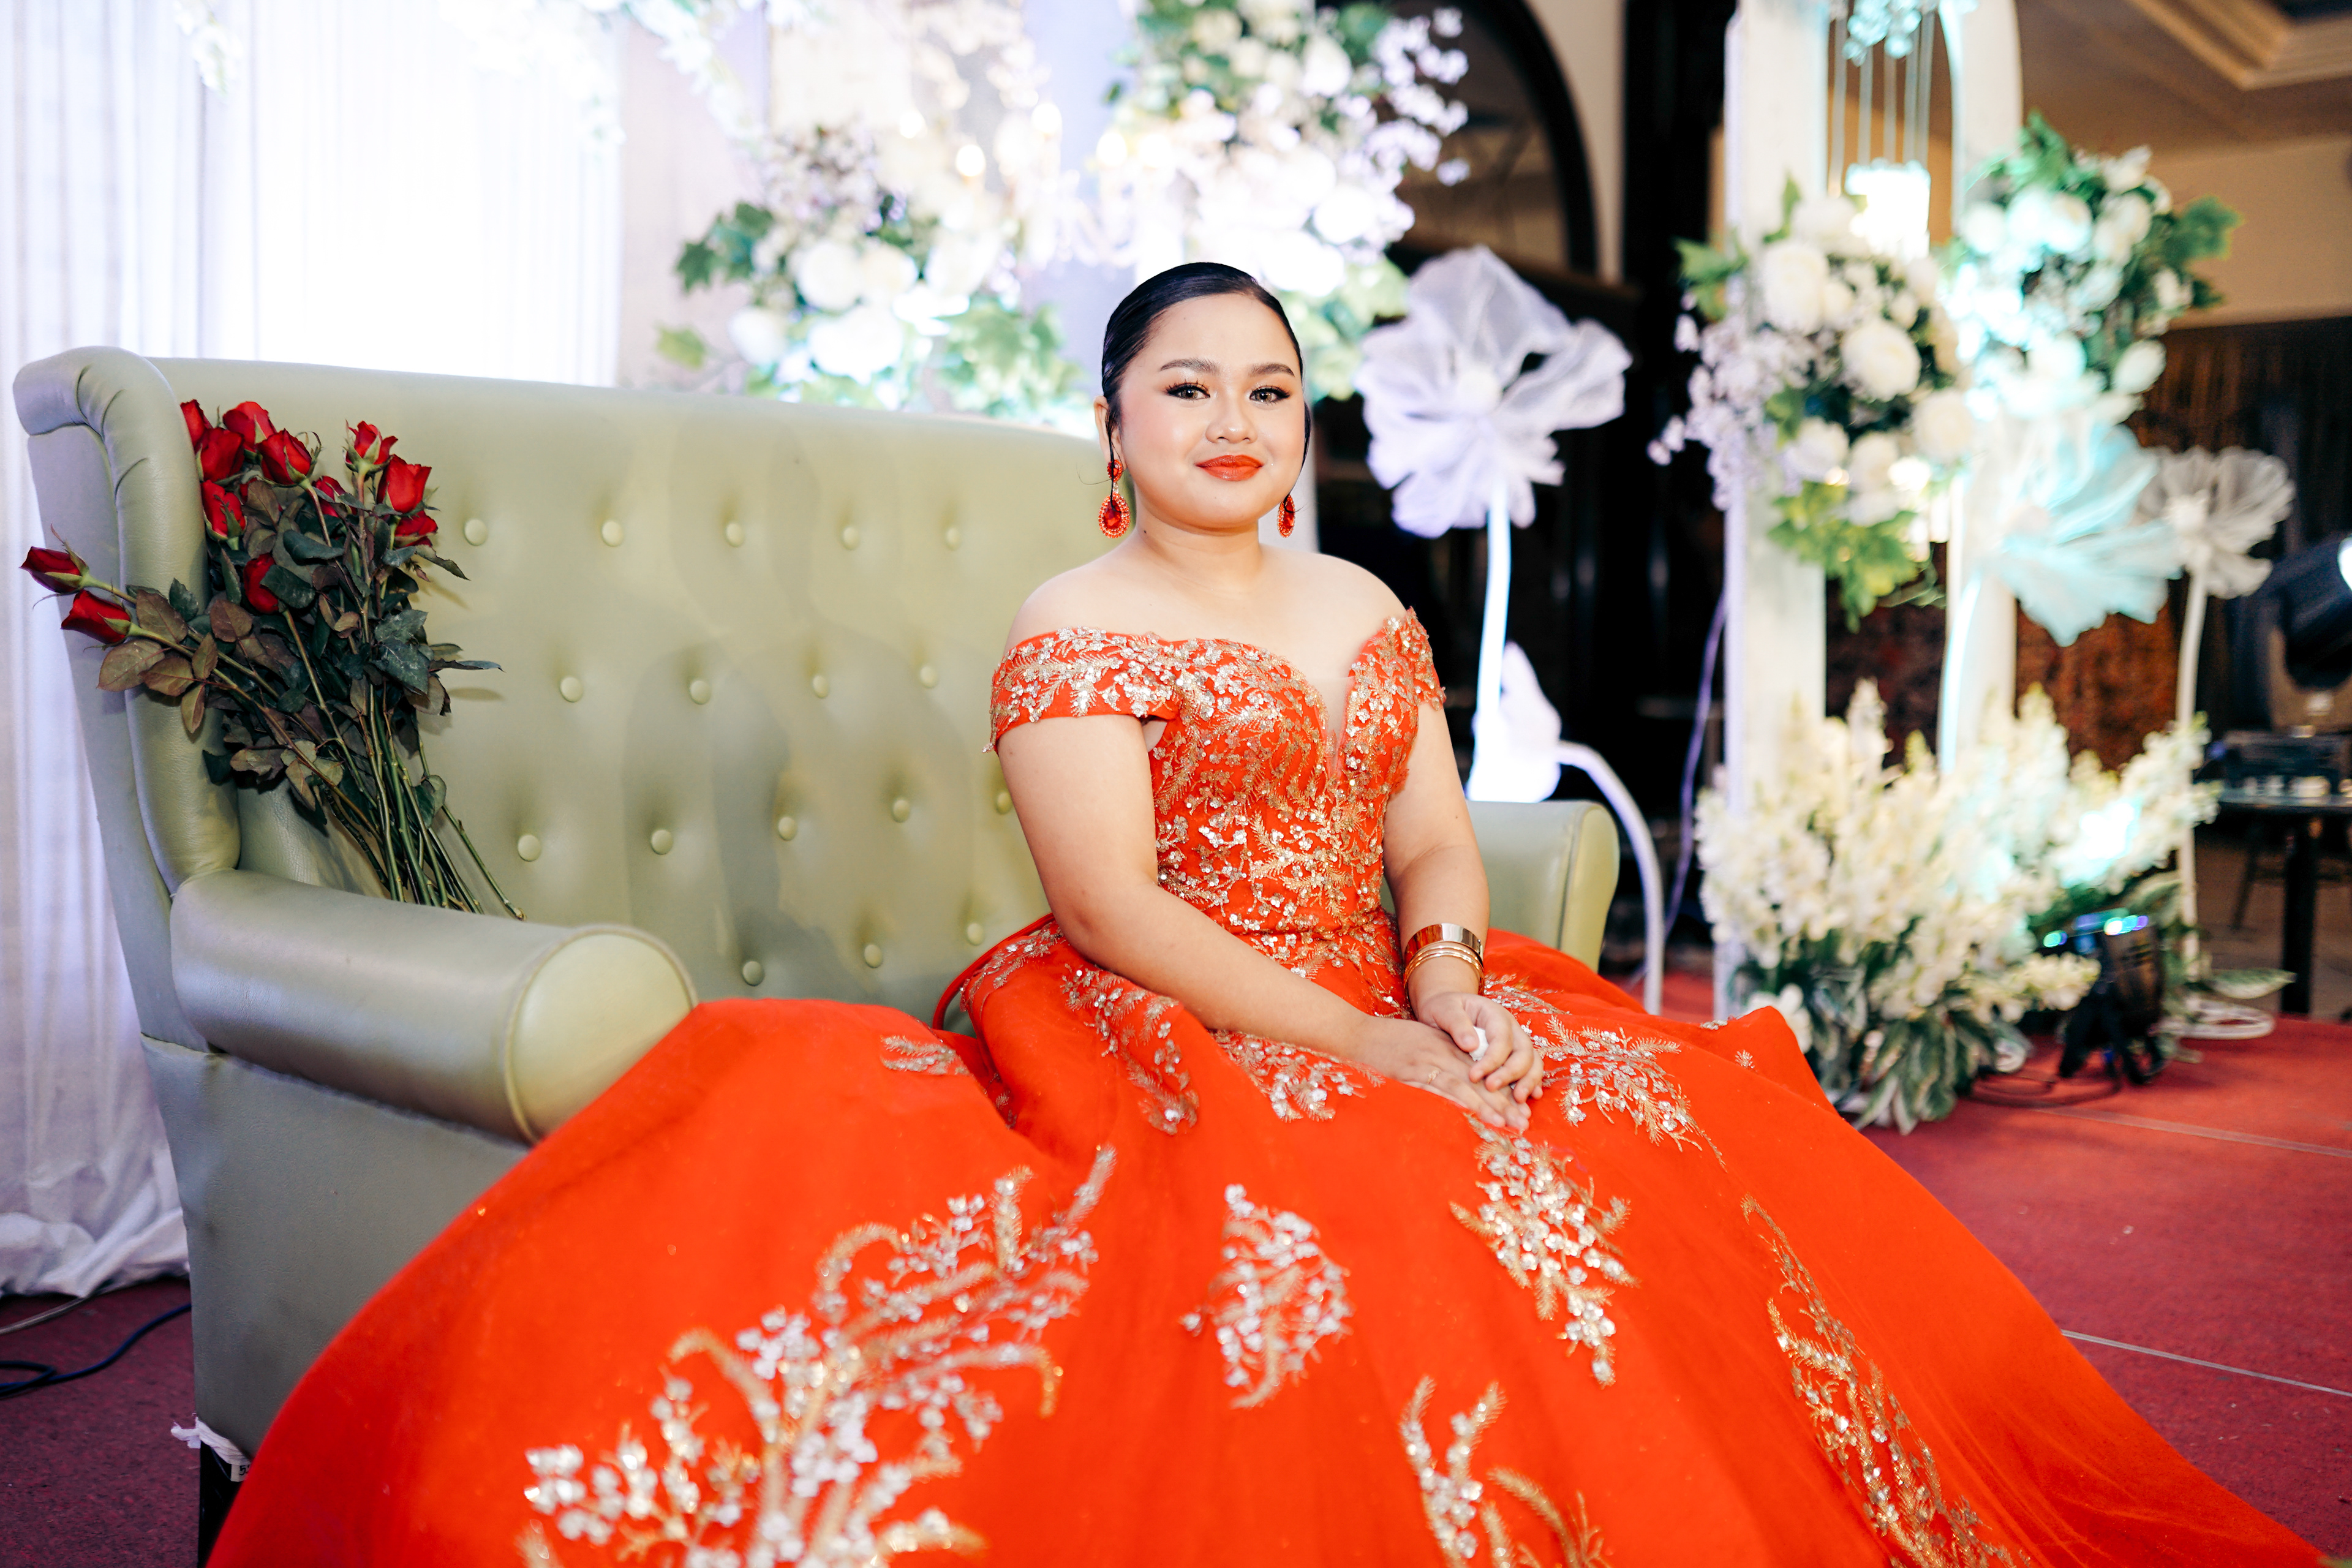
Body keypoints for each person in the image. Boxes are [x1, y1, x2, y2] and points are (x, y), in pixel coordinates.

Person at [206, 266, 2321, 1567]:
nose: (1235, 422)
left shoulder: (1365, 604)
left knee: (1647, 1134)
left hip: (1385, 981)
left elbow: (1433, 844)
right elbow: (1113, 907)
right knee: (1374, 1215)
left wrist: (1449, 978)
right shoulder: (1075, 618)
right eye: (1189, 386)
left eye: (1269, 390)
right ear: (1113, 424)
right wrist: (1367, 1045)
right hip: (1153, 1009)